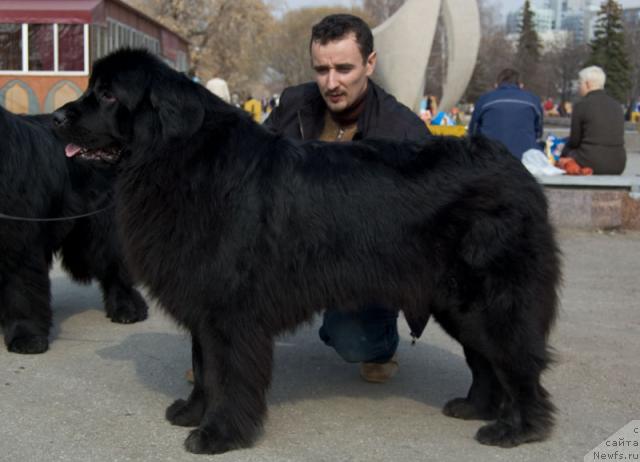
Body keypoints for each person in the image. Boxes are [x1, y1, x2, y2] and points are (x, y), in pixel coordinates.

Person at [263, 13, 430, 383]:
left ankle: (379, 339)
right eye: (321, 70)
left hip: (363, 263)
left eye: (343, 68)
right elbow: (248, 165)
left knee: (352, 342)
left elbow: (422, 230)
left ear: (370, 63)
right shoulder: (293, 105)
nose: (331, 83)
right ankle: (225, 352)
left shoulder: (403, 133)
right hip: (291, 247)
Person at [561, 66, 626, 174]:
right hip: (618, 164)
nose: (579, 87)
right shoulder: (617, 106)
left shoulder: (581, 106)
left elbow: (575, 141)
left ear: (588, 84)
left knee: (564, 149)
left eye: (580, 83)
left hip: (590, 161)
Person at [468, 68, 543, 160]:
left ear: (496, 85)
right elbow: (538, 132)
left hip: (490, 156)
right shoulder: (533, 100)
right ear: (521, 85)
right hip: (524, 158)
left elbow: (473, 132)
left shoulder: (485, 99)